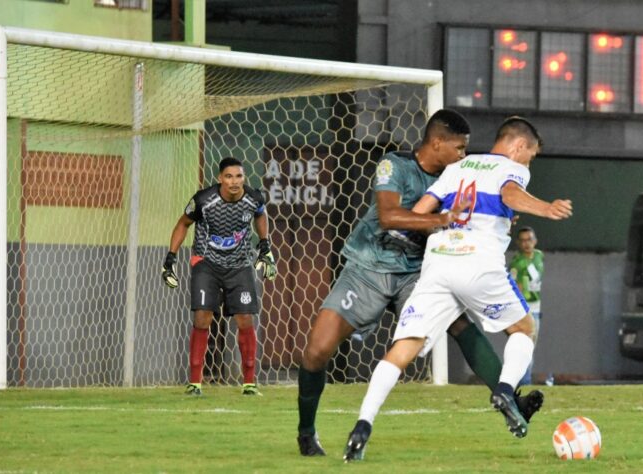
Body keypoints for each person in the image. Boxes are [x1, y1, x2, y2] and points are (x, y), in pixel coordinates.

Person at [296, 109, 544, 457]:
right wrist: (442, 218)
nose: (463, 155)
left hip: (417, 270)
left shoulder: (458, 174)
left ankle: (511, 399)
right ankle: (306, 431)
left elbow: (483, 205)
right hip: (369, 266)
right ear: (437, 143)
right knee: (317, 350)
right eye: (459, 148)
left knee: (460, 325)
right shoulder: (394, 166)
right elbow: (387, 216)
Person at [162, 157, 278, 396]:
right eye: (229, 176)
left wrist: (264, 243)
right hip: (207, 264)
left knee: (245, 319)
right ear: (219, 179)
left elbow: (261, 214)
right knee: (203, 317)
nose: (234, 182)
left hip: (240, 265)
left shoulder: (253, 198)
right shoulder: (204, 200)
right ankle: (195, 382)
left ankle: (249, 383)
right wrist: (170, 258)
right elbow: (183, 224)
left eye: (239, 176)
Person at [509, 226, 544, 385]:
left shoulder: (539, 256)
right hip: (525, 310)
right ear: (518, 243)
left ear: (535, 241)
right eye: (522, 241)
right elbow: (513, 285)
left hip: (536, 308)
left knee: (530, 348)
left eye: (529, 240)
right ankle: (524, 382)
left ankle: (523, 381)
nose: (526, 244)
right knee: (525, 348)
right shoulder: (517, 262)